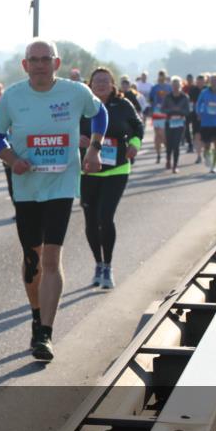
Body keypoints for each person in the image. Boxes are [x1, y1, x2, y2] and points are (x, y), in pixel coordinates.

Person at [0, 39, 107, 361]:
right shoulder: (12, 97)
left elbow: (100, 113)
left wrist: (94, 149)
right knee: (33, 259)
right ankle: (36, 314)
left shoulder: (75, 92)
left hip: (61, 185)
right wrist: (13, 160)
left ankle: (45, 333)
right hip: (26, 186)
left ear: (56, 63)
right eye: (34, 60)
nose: (40, 65)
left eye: (45, 59)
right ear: (25, 65)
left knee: (52, 258)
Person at [79, 68, 142, 289]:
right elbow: (67, 127)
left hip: (116, 169)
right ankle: (98, 263)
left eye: (105, 81)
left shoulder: (123, 105)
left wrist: (134, 144)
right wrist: (77, 137)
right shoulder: (82, 105)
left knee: (105, 217)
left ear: (112, 84)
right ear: (90, 84)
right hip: (87, 170)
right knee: (90, 219)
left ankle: (108, 265)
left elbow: (137, 127)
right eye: (97, 81)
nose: (101, 84)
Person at [161, 76, 191, 173]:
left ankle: (175, 165)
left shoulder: (185, 97)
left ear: (180, 86)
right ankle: (168, 159)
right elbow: (162, 109)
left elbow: (188, 111)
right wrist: (172, 110)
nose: (175, 87)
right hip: (169, 122)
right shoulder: (167, 97)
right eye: (174, 85)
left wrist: (180, 111)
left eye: (177, 85)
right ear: (171, 86)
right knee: (169, 144)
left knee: (176, 144)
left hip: (180, 123)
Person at [148, 70, 172, 165]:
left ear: (165, 76)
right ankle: (158, 155)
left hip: (165, 112)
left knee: (163, 134)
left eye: (163, 75)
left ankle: (167, 153)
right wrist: (151, 110)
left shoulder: (169, 87)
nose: (161, 77)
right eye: (160, 75)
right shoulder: (154, 88)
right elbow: (150, 99)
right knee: (157, 134)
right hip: (156, 112)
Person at [188, 73, 207, 163]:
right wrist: (191, 113)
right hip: (195, 116)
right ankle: (199, 156)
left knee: (205, 136)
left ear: (204, 82)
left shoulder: (207, 90)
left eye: (202, 81)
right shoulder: (193, 90)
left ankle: (205, 152)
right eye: (198, 81)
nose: (200, 83)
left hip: (207, 117)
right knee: (197, 136)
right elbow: (190, 103)